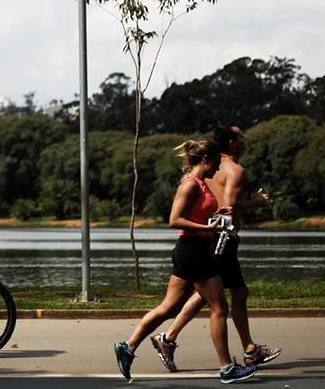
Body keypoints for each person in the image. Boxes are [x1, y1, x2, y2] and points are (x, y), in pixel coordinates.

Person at [113, 140, 257, 384]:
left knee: (169, 308)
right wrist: (207, 226)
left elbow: (196, 213)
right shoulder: (190, 184)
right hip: (193, 250)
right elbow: (174, 220)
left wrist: (215, 216)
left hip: (193, 250)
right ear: (206, 160)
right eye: (217, 165)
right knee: (219, 308)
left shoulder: (200, 184)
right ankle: (226, 368)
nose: (218, 171)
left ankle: (127, 346)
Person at [149, 126, 281, 373]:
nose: (245, 140)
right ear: (232, 142)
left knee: (233, 293)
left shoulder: (212, 169)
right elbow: (228, 205)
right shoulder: (235, 170)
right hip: (222, 237)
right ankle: (169, 339)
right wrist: (258, 202)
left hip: (212, 237)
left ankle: (249, 349)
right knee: (212, 296)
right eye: (241, 137)